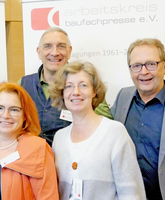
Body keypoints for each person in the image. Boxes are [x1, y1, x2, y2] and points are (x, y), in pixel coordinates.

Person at [50, 61, 145, 200]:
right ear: (62, 93)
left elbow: (132, 194)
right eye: (68, 86)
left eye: (83, 85)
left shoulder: (115, 133)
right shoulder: (59, 138)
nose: (75, 92)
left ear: (94, 91)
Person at [19, 27, 112, 146]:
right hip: (32, 160)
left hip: (71, 159)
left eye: (61, 46)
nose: (54, 52)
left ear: (69, 51)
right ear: (39, 52)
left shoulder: (86, 84)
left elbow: (105, 129)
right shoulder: (22, 84)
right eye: (48, 46)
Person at [0, 82, 59, 200]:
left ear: (25, 115)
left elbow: (48, 197)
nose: (5, 115)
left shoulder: (38, 148)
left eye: (14, 110)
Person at [111, 38, 165, 200]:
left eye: (151, 64)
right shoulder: (123, 96)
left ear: (163, 65)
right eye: (136, 66)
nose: (143, 72)